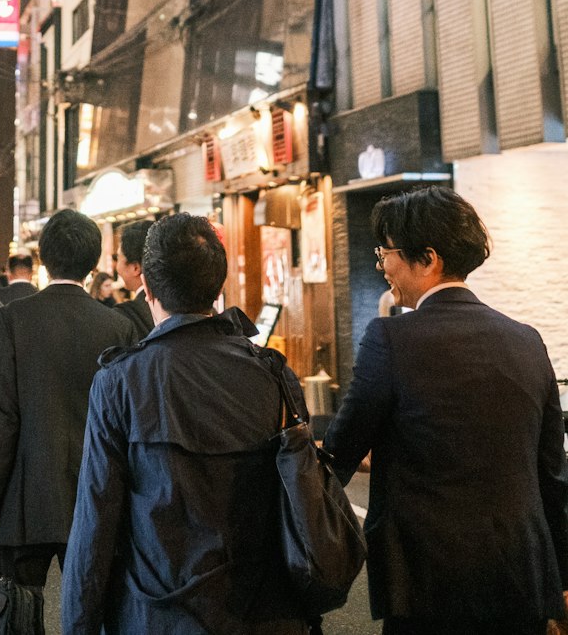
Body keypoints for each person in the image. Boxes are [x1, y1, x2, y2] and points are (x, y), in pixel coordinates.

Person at [324, 186, 568, 635]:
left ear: (429, 258)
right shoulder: (527, 339)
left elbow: (337, 454)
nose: (382, 268)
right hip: (522, 577)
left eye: (386, 253)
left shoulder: (390, 339)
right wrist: (564, 579)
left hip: (429, 581)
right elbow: (552, 472)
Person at [62, 213, 310, 635]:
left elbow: (96, 519)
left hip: (156, 614)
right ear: (218, 286)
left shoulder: (120, 381)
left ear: (148, 288)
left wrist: (78, 624)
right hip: (264, 612)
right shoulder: (273, 374)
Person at [0, 209, 136, 590]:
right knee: (96, 609)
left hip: (25, 498)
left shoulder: (13, 319)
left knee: (22, 612)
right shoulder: (117, 326)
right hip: (95, 494)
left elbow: (2, 418)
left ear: (43, 256)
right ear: (93, 264)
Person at [113, 218, 155, 337]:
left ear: (135, 268)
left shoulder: (126, 317)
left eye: (118, 258)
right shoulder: (182, 306)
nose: (117, 267)